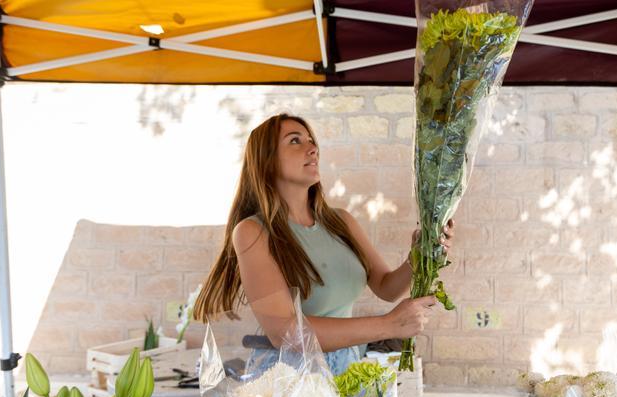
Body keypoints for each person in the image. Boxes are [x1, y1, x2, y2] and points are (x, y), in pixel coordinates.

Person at [193, 113, 455, 374]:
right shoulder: (253, 231)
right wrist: (389, 324)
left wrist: (420, 255)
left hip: (347, 366)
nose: (312, 148)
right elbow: (285, 332)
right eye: (295, 141)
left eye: (311, 140)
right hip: (290, 376)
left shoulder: (341, 221)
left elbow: (387, 287)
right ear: (267, 160)